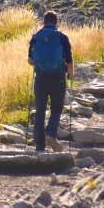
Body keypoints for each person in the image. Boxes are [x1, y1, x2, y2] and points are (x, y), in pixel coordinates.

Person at [28, 11, 73, 153]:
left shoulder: (36, 37)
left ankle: (39, 147)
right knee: (56, 108)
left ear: (44, 22)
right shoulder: (62, 37)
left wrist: (40, 64)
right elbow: (69, 60)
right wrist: (70, 75)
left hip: (41, 78)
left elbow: (30, 60)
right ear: (56, 22)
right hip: (58, 78)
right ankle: (51, 134)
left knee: (40, 110)